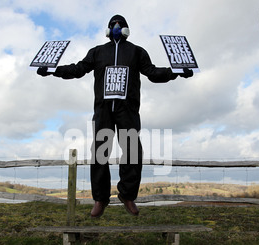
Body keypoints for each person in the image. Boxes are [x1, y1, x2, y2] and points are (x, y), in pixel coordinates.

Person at [37, 14, 193, 218]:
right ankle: (100, 199)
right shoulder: (98, 52)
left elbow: (153, 73)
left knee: (132, 151)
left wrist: (177, 71)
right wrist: (53, 70)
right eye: (114, 24)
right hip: (103, 109)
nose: (117, 26)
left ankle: (127, 196)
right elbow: (78, 69)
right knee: (100, 152)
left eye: (121, 24)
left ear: (127, 29)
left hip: (127, 109)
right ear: (109, 29)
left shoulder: (137, 52)